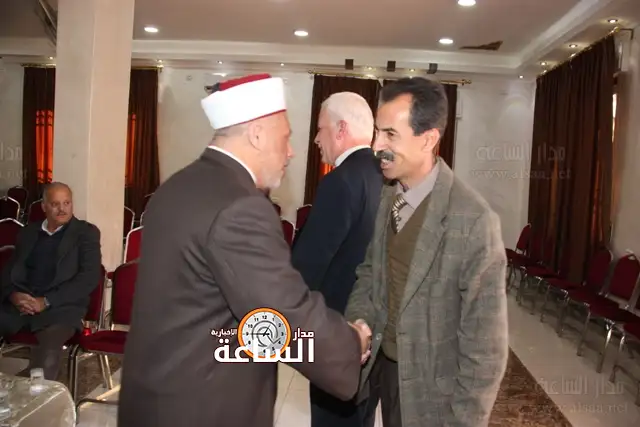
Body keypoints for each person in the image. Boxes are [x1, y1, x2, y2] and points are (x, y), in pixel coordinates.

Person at [118, 74, 372, 427]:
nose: (291, 152)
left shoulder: (177, 185)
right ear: (257, 134)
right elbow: (281, 315)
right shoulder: (241, 206)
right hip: (204, 404)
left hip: (157, 395)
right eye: (285, 138)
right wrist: (350, 343)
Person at [345, 77, 509, 427]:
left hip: (433, 398)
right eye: (377, 132)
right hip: (383, 372)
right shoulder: (388, 195)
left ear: (428, 139)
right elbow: (371, 272)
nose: (376, 146)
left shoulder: (474, 221)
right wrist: (359, 321)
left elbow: (486, 349)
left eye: (390, 134)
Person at [291, 92, 383, 427]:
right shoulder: (385, 178)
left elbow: (307, 266)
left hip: (337, 335)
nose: (316, 139)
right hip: (372, 333)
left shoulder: (340, 181)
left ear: (341, 129)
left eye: (320, 129)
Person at [0, 182, 102, 380]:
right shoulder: (29, 232)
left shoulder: (85, 233)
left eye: (67, 203)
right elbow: (9, 272)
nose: (62, 209)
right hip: (21, 305)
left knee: (46, 358)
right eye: (55, 204)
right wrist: (13, 296)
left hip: (61, 309)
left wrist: (45, 301)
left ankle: (35, 395)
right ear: (44, 206)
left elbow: (88, 278)